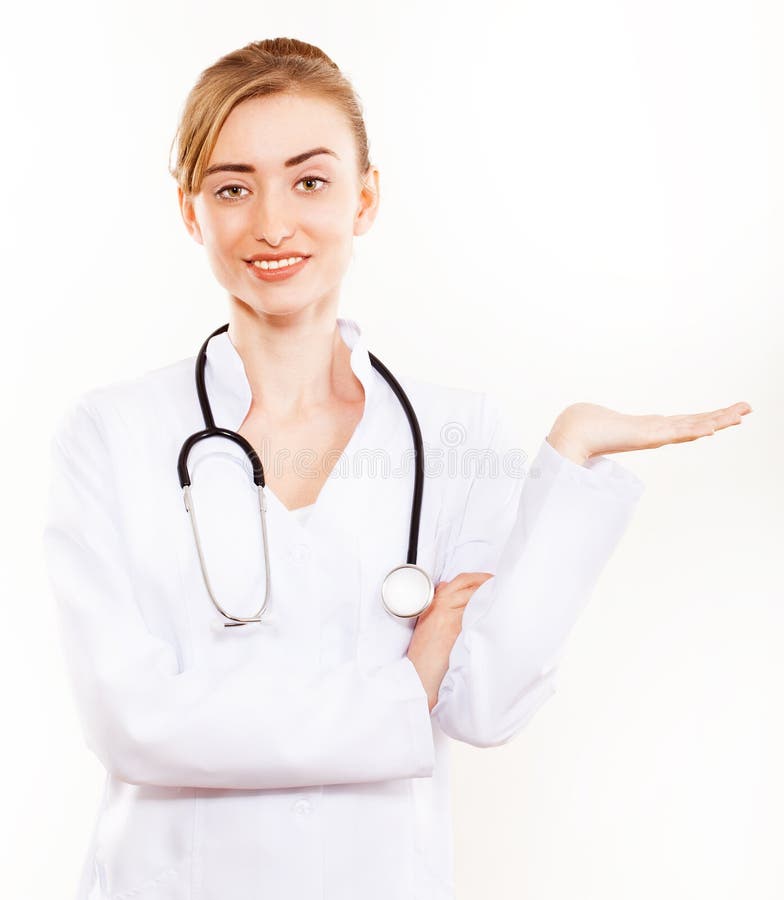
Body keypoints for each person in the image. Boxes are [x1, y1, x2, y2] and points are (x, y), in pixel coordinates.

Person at [42, 36, 752, 900]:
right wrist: (397, 694)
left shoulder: (454, 435)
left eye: (310, 180)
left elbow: (482, 706)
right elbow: (131, 721)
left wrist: (572, 469)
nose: (272, 223)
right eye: (233, 187)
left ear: (366, 196)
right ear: (191, 210)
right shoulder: (111, 435)